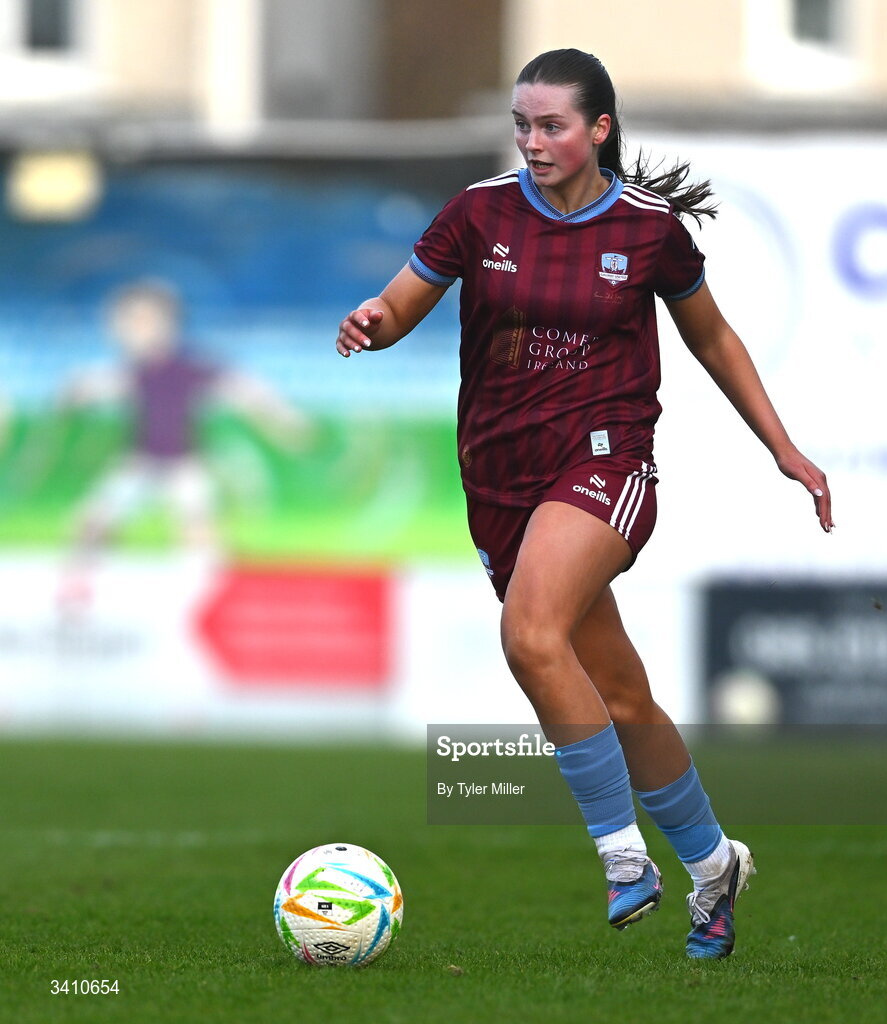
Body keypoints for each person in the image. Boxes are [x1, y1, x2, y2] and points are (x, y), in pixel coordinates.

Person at [336, 49, 833, 960]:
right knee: (620, 693)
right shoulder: (478, 213)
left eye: (552, 125)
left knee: (530, 633)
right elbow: (404, 304)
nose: (533, 142)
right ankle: (714, 863)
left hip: (606, 460)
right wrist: (373, 320)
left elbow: (714, 340)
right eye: (523, 125)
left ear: (599, 129)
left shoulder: (651, 232)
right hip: (499, 476)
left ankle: (621, 859)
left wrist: (784, 447)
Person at [59, 279, 308, 609]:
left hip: (183, 463)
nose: (127, 330)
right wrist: (77, 392)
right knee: (93, 521)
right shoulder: (135, 370)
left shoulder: (189, 366)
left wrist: (282, 420)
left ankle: (216, 599)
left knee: (197, 528)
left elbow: (245, 389)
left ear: (166, 322)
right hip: (141, 460)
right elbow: (97, 384)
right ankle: (77, 590)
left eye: (138, 320)